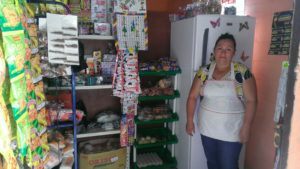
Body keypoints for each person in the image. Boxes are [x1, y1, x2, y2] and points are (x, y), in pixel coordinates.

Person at [186, 33, 257, 169]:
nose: (223, 53)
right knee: (212, 164)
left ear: (234, 53)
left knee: (228, 165)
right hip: (207, 128)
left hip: (232, 130)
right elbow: (192, 97)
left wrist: (247, 126)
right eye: (220, 48)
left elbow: (252, 101)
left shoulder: (242, 71)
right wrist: (189, 121)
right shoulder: (204, 71)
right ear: (214, 50)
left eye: (228, 49)